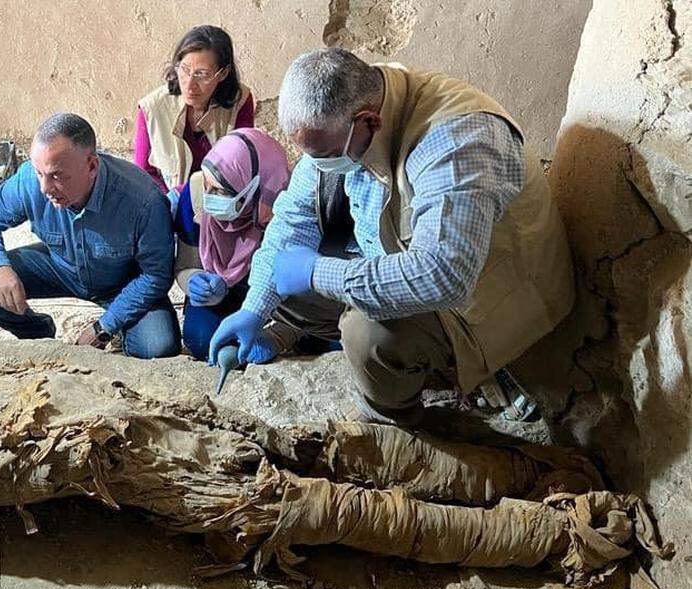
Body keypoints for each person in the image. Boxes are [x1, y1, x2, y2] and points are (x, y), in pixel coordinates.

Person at [209, 48, 574, 426]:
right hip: (413, 261)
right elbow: (293, 219)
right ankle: (428, 369)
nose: (320, 165)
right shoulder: (356, 103)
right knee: (280, 286)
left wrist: (319, 272)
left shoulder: (457, 140)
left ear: (368, 121)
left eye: (327, 154)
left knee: (366, 334)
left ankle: (399, 418)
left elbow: (443, 276)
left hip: (492, 296)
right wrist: (253, 309)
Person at [0, 112, 180, 359]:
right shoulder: (31, 180)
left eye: (56, 176)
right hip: (60, 266)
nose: (45, 188)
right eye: (39, 173)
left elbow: (156, 275)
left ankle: (124, 333)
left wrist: (105, 326)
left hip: (122, 283)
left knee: (158, 347)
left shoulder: (143, 200)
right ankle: (39, 333)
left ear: (91, 166)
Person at [176, 127, 335, 361]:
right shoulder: (195, 194)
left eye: (220, 190)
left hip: (281, 297)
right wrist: (193, 282)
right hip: (221, 291)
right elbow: (184, 263)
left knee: (328, 339)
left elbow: (309, 289)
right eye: (207, 186)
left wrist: (278, 336)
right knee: (202, 340)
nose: (208, 198)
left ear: (255, 188)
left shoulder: (288, 206)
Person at [134, 25, 254, 194]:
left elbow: (242, 163)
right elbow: (143, 173)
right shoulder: (151, 109)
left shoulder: (239, 101)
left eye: (202, 74)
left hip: (221, 199)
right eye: (184, 70)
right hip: (169, 204)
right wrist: (178, 200)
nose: (190, 85)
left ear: (223, 73)